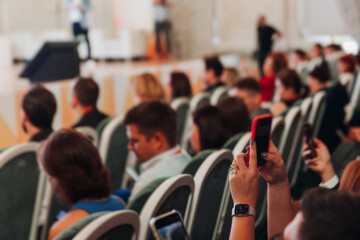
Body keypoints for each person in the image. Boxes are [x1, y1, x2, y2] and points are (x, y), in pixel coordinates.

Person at [37, 129, 124, 240]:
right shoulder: (119, 205)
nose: (50, 181)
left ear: (62, 178)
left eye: (50, 175)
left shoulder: (63, 230)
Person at [124, 101, 191, 198]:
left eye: (134, 141)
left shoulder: (149, 182)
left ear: (158, 140)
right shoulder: (187, 159)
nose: (129, 147)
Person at [307, 66, 349, 153]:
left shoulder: (324, 98)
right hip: (336, 136)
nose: (308, 84)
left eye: (310, 80)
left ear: (316, 79)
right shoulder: (336, 88)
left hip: (326, 143)